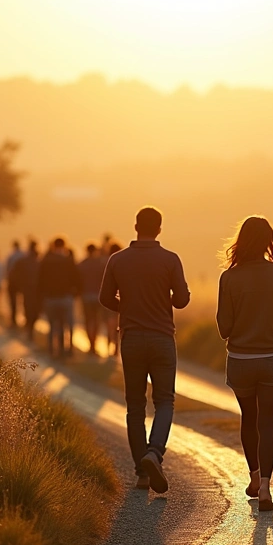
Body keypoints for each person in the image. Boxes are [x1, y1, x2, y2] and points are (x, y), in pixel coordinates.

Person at [216, 216, 273, 512]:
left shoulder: (229, 278)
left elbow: (224, 328)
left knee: (248, 418)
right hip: (272, 359)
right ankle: (266, 486)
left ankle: (254, 476)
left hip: (240, 360)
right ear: (269, 242)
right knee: (267, 422)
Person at [100, 207, 190, 493]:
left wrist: (127, 307)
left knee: (135, 405)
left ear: (136, 226)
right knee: (164, 400)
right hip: (162, 337)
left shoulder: (117, 260)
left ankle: (142, 473)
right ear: (159, 229)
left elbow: (104, 298)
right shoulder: (170, 260)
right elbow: (182, 300)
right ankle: (154, 452)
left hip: (131, 338)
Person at [39, 237, 82, 359]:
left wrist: (41, 297)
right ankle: (66, 349)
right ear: (64, 246)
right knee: (66, 324)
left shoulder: (46, 261)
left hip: (50, 297)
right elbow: (77, 278)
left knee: (52, 325)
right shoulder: (68, 261)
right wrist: (76, 293)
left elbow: (40, 280)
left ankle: (52, 349)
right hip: (65, 297)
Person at [77, 242, 107, 355]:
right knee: (97, 320)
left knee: (88, 320)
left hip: (86, 296)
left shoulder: (82, 264)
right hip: (98, 296)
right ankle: (94, 343)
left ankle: (91, 344)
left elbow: (78, 281)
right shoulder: (101, 264)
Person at [11, 241, 42, 341]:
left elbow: (15, 274)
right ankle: (30, 329)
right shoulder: (37, 262)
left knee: (29, 309)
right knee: (33, 310)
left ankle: (29, 328)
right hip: (33, 290)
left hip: (30, 290)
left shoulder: (25, 261)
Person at [102, 242, 123, 356]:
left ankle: (109, 343)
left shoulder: (105, 262)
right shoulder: (122, 262)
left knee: (109, 323)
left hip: (108, 299)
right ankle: (116, 345)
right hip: (119, 299)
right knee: (117, 324)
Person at [5, 240, 25, 326]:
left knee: (13, 301)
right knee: (23, 300)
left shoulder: (11, 256)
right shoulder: (23, 255)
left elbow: (8, 270)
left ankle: (14, 319)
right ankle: (24, 318)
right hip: (22, 281)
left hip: (12, 281)